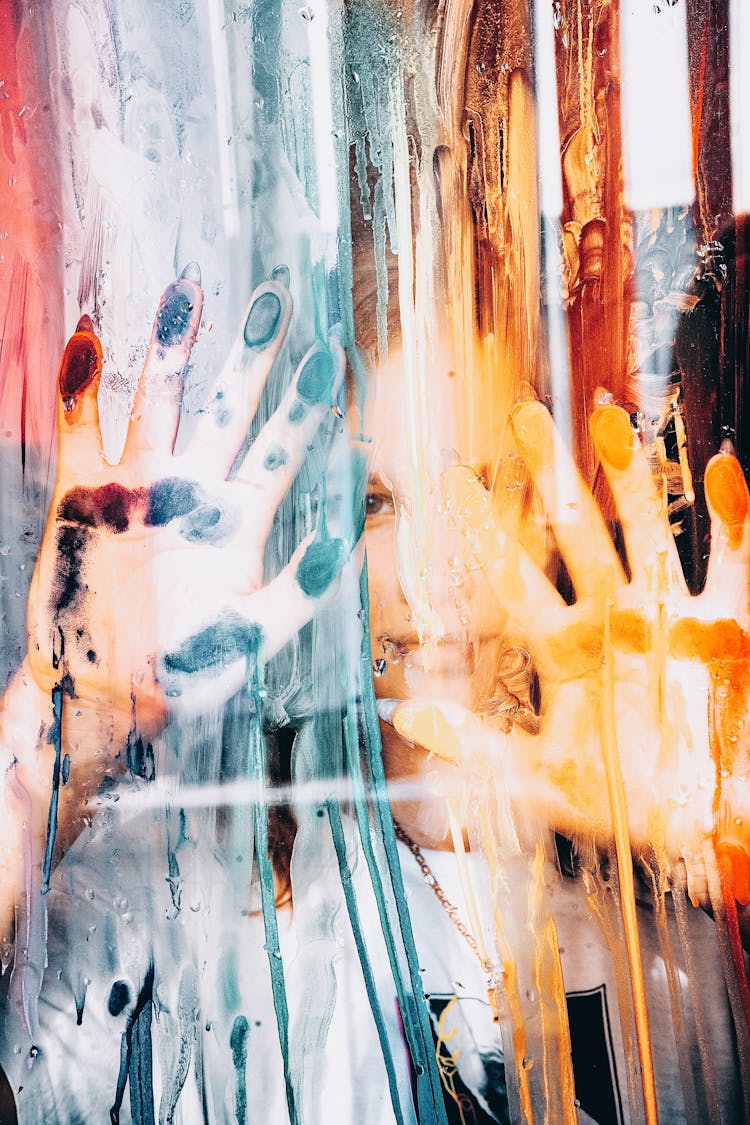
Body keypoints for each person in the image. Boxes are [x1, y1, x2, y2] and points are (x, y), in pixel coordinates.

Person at [0, 245, 746, 1125]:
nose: (434, 574)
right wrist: (50, 748)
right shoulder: (180, 915)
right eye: (378, 502)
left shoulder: (678, 957)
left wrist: (726, 807)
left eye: (478, 489)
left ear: (551, 520)